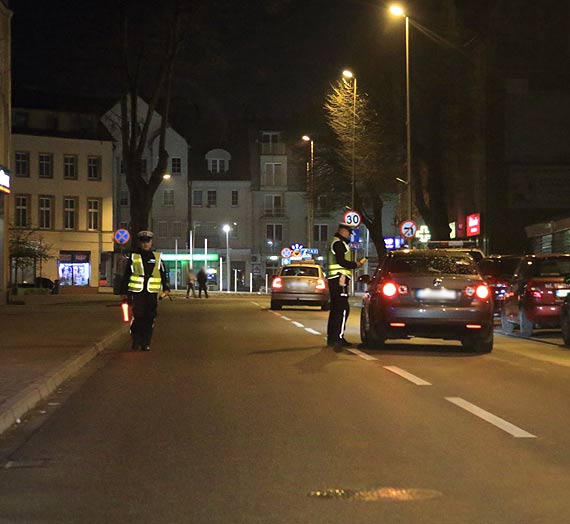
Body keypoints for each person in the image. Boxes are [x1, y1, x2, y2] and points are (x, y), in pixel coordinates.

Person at [120, 230, 170, 351]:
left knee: (150, 317)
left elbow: (163, 274)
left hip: (151, 293)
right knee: (138, 316)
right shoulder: (134, 257)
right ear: (139, 243)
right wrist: (123, 291)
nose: (145, 244)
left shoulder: (157, 257)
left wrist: (166, 288)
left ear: (151, 242)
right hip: (138, 293)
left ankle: (146, 342)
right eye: (142, 241)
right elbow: (127, 274)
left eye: (147, 241)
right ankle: (136, 340)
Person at [326, 222, 366, 352]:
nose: (349, 236)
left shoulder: (335, 242)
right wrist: (356, 264)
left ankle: (332, 337)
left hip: (336, 279)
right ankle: (338, 338)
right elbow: (341, 261)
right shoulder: (339, 243)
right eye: (349, 233)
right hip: (340, 279)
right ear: (343, 231)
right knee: (343, 309)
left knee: (336, 309)